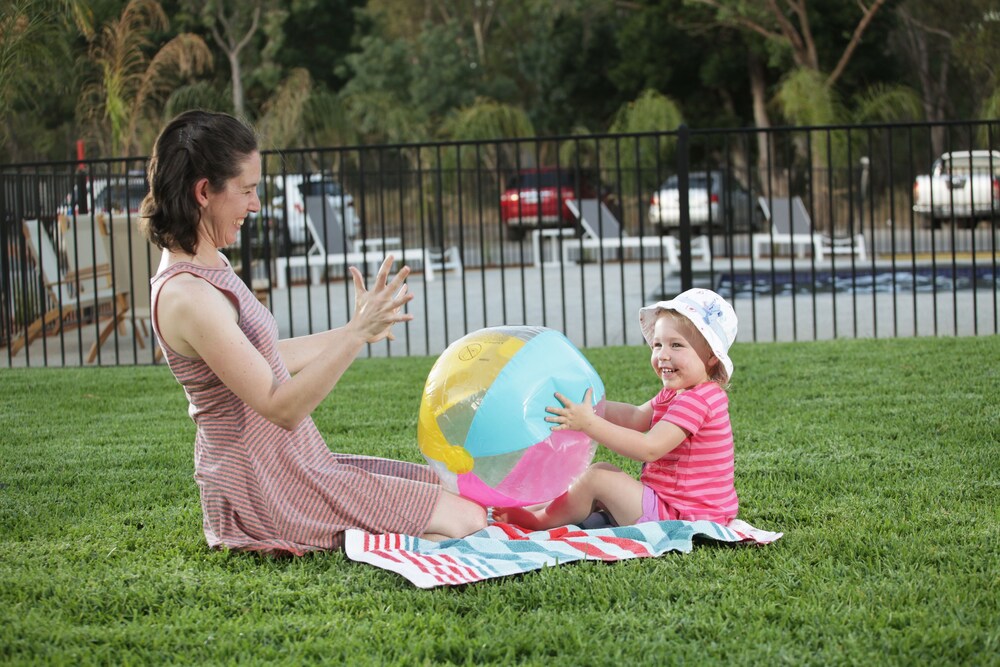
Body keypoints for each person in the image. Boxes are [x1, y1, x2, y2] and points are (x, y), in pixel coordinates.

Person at [142, 110, 486, 555]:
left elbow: (261, 356)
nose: (255, 205)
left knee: (452, 491)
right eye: (247, 190)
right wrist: (355, 336)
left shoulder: (211, 264)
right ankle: (386, 543)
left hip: (296, 464)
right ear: (204, 191)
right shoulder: (187, 295)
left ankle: (394, 535)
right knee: (470, 520)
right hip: (266, 489)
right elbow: (280, 407)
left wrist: (352, 328)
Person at [496, 288, 739, 530]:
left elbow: (650, 448)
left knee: (598, 477)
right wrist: (592, 406)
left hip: (683, 517)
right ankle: (534, 509)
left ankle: (540, 521)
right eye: (657, 344)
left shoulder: (696, 401)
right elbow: (635, 417)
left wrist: (588, 423)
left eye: (676, 345)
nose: (662, 355)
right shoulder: (681, 393)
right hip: (676, 506)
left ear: (711, 357)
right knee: (596, 486)